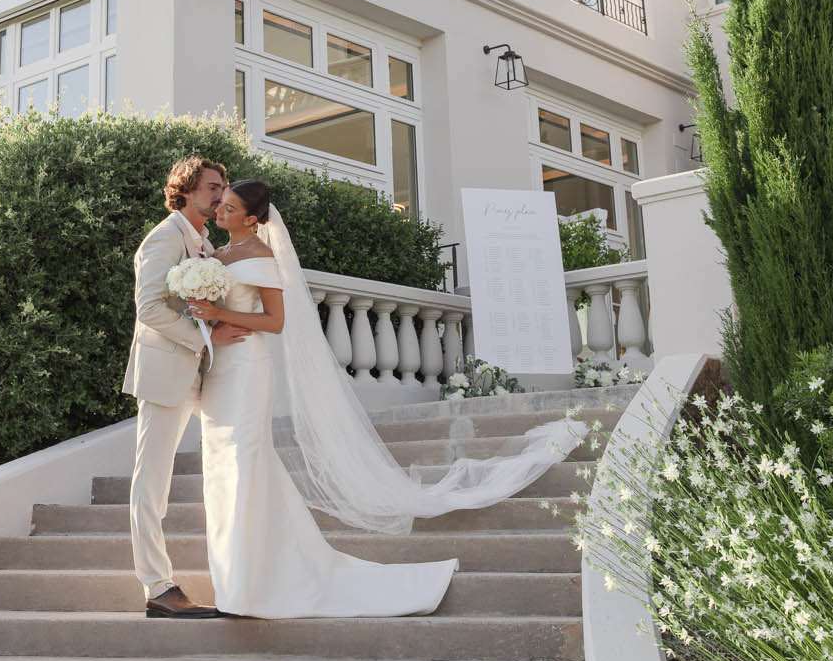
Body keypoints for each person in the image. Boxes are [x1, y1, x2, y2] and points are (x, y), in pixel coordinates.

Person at [184, 178, 586, 619]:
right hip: (219, 374)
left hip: (246, 370)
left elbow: (275, 321)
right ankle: (235, 575)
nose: (220, 208)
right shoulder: (215, 255)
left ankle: (253, 581)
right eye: (221, 202)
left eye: (230, 205)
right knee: (223, 470)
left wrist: (220, 313)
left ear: (253, 219)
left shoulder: (260, 256)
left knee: (245, 464)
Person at [122, 155, 246, 619]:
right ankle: (157, 586)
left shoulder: (203, 244)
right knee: (151, 482)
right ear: (187, 189)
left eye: (223, 187)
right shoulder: (163, 237)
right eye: (213, 186)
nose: (220, 195)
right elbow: (149, 309)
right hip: (166, 373)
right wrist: (204, 338)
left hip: (200, 375)